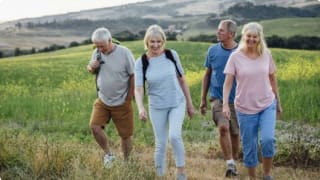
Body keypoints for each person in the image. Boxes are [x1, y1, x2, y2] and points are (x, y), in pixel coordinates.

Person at [223, 22, 282, 180]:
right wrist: (224, 105)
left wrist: (278, 103)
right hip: (244, 108)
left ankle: (267, 175)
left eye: (254, 37)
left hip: (267, 104)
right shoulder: (235, 56)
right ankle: (252, 177)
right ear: (244, 37)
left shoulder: (266, 54)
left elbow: (272, 79)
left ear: (259, 38)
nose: (251, 39)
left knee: (268, 140)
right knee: (249, 146)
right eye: (248, 36)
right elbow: (228, 82)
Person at [134, 24, 195, 180]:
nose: (155, 45)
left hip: (177, 102)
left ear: (163, 42)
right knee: (160, 144)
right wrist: (141, 108)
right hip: (157, 106)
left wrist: (189, 104)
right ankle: (159, 176)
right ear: (146, 42)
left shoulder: (171, 55)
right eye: (152, 42)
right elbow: (139, 88)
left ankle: (181, 173)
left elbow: (182, 80)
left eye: (159, 42)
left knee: (174, 136)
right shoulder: (141, 62)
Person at [87, 27, 135, 168]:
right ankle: (109, 155)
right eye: (97, 46)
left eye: (102, 45)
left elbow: (134, 75)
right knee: (95, 127)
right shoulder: (96, 52)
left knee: (125, 135)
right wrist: (91, 67)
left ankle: (127, 163)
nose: (99, 49)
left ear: (110, 40)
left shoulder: (124, 53)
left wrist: (129, 98)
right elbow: (90, 69)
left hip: (122, 101)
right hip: (102, 100)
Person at [199, 19, 240, 177]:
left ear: (231, 34)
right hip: (217, 98)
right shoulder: (213, 50)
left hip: (237, 100)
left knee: (235, 133)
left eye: (221, 30)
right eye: (218, 29)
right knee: (224, 128)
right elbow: (207, 75)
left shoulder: (240, 52)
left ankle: (234, 161)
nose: (218, 32)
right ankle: (230, 163)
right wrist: (203, 99)